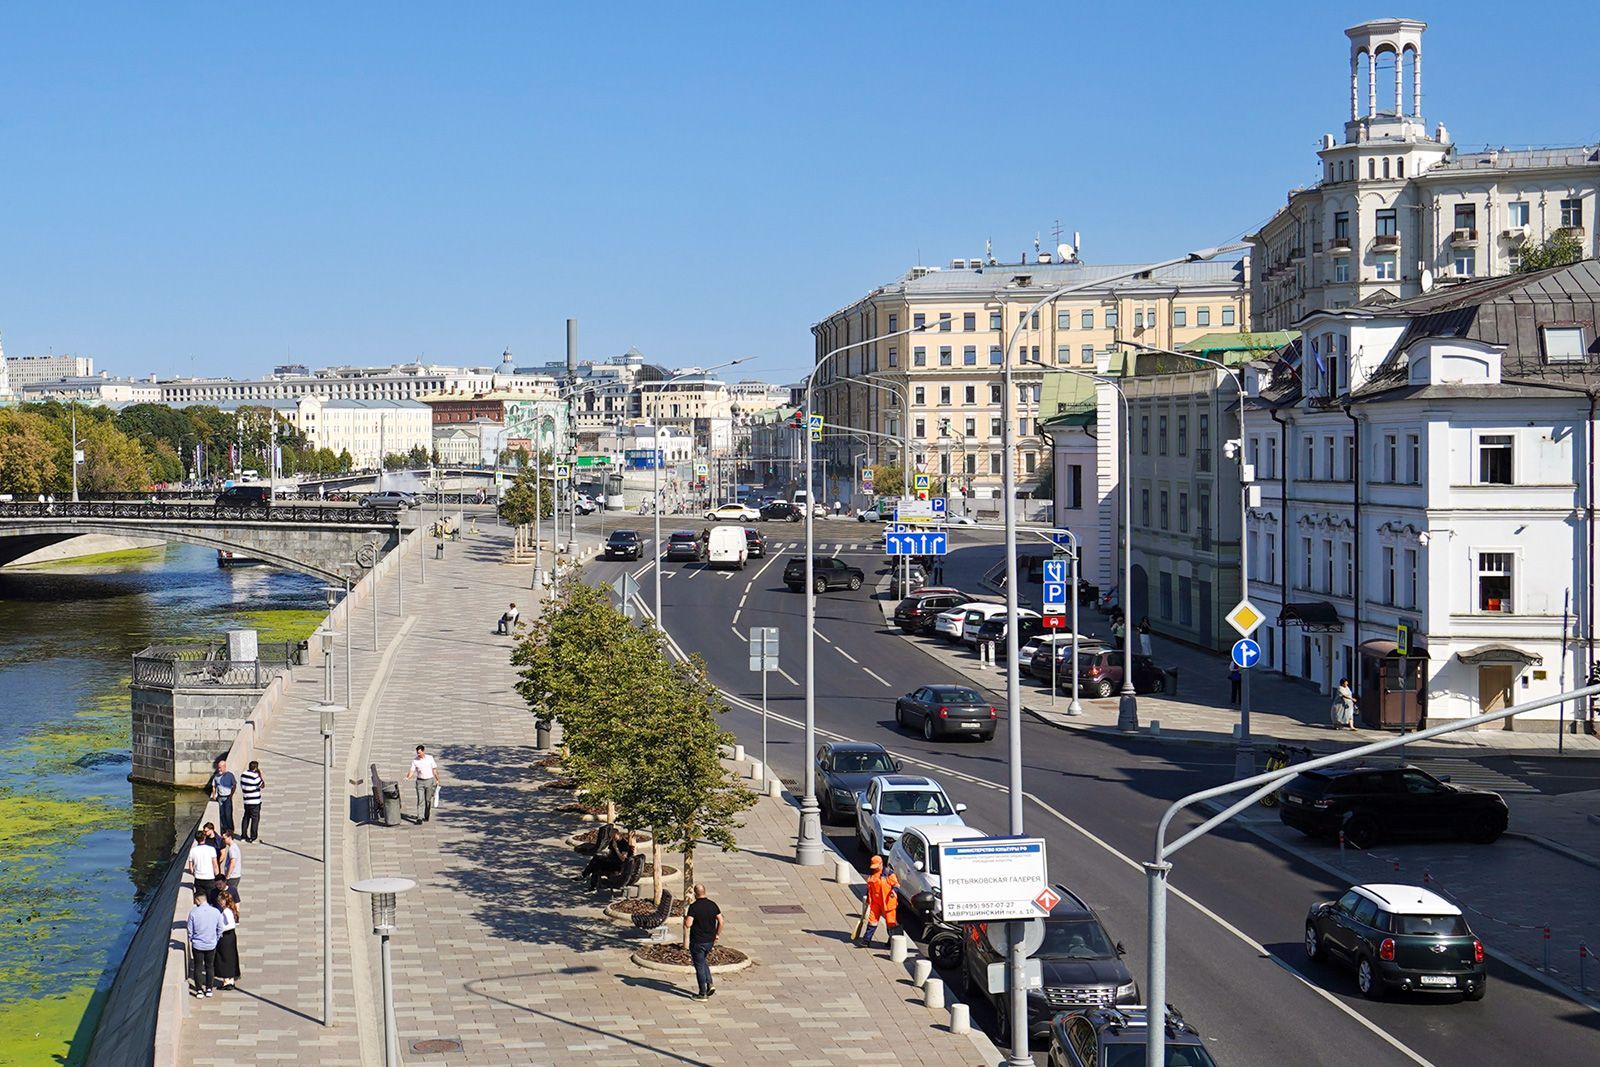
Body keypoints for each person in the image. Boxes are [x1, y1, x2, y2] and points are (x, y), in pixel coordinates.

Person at [683, 883, 723, 1000]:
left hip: (697, 941)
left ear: (695, 894)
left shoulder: (694, 907)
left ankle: (702, 993)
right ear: (705, 892)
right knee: (703, 961)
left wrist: (686, 918)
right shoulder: (712, 905)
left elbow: (688, 924)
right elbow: (721, 921)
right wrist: (717, 934)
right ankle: (710, 983)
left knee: (699, 966)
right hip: (709, 940)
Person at [185, 890, 224, 998]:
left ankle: (199, 990)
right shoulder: (215, 912)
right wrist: (215, 938)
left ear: (197, 900)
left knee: (198, 967)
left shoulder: (193, 912)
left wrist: (192, 938)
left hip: (198, 945)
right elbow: (220, 928)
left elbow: (190, 929)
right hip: (211, 944)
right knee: (209, 967)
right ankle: (209, 989)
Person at [857, 855, 899, 947]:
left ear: (881, 864)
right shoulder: (872, 874)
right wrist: (868, 898)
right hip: (875, 902)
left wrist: (893, 892)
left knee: (891, 923)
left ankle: (893, 941)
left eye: (876, 867)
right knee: (872, 921)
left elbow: (896, 886)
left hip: (888, 903)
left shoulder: (889, 874)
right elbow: (870, 888)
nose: (875, 869)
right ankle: (866, 940)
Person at [404, 744, 443, 822]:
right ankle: (419, 817)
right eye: (417, 753)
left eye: (420, 753)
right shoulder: (415, 761)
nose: (418, 754)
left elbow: (434, 770)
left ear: (423, 751)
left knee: (427, 800)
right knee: (420, 799)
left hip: (429, 781)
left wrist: (438, 779)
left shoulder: (430, 758)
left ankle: (426, 815)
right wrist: (408, 777)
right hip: (420, 782)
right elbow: (412, 770)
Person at [213, 886, 241, 990]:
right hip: (230, 936)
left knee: (224, 957)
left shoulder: (226, 912)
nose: (219, 903)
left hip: (226, 937)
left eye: (220, 901)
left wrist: (220, 929)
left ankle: (227, 981)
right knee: (230, 957)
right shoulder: (231, 910)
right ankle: (230, 980)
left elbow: (230, 925)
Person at [187, 829, 220, 904]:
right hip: (209, 877)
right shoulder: (211, 849)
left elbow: (190, 868)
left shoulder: (193, 850)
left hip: (198, 878)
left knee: (201, 900)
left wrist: (194, 873)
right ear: (204, 838)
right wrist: (217, 876)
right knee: (211, 900)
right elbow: (215, 865)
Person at [239, 760, 264, 843]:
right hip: (255, 801)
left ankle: (243, 836)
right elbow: (262, 785)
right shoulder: (255, 776)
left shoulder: (243, 774)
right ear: (256, 768)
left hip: (246, 800)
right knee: (255, 819)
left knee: (246, 817)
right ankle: (253, 837)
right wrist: (260, 775)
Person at [211, 759, 237, 837]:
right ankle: (225, 829)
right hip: (220, 797)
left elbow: (234, 785)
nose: (219, 769)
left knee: (228, 814)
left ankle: (231, 830)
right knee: (222, 814)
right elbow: (214, 786)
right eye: (218, 768)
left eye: (220, 768)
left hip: (227, 797)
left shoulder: (230, 775)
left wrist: (231, 795)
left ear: (224, 767)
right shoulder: (216, 776)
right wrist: (214, 795)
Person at [219, 829, 243, 902]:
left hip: (233, 876)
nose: (223, 840)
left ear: (229, 837)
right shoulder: (234, 847)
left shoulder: (232, 849)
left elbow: (232, 863)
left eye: (224, 838)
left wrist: (228, 876)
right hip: (235, 875)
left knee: (230, 895)